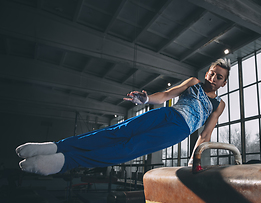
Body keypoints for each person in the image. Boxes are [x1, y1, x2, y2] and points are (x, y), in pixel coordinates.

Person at [15, 59, 231, 175]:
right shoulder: (193, 82)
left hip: (178, 130)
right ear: (206, 73)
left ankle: (66, 161)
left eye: (218, 77)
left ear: (224, 83)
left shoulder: (218, 104)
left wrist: (195, 160)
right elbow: (166, 95)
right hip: (167, 113)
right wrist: (146, 99)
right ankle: (56, 147)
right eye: (211, 73)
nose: (213, 78)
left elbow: (205, 134)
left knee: (129, 148)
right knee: (117, 131)